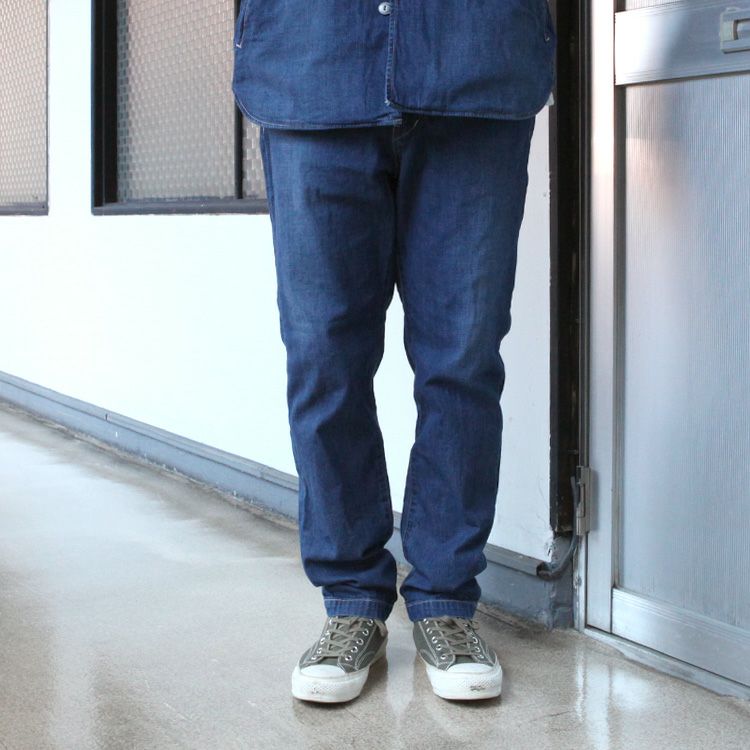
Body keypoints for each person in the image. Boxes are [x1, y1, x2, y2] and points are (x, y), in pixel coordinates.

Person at [232, 0, 556, 703]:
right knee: (324, 357)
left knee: (462, 360)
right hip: (312, 61)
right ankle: (351, 600)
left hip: (477, 58)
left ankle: (446, 602)